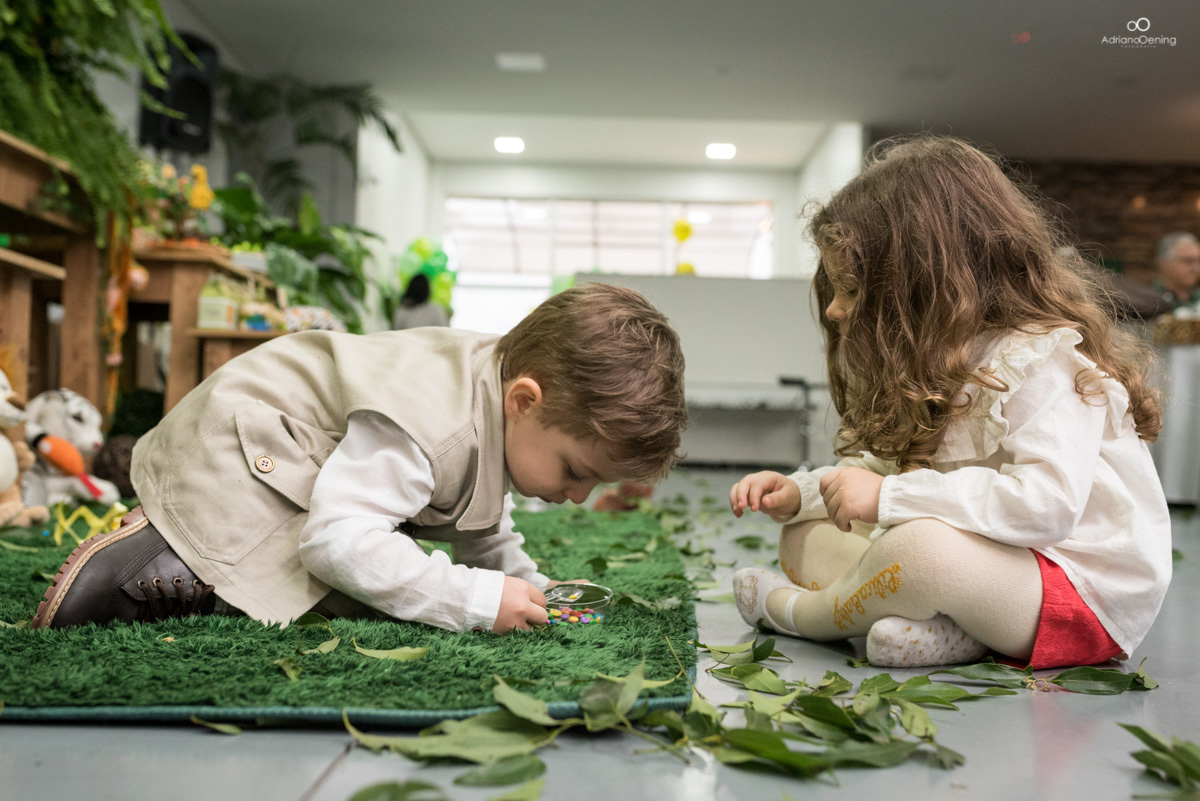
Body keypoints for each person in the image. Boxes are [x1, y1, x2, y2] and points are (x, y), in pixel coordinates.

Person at [729, 136, 1171, 670]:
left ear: (919, 285)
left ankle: (799, 614)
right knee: (803, 535)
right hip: (985, 574)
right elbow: (883, 472)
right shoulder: (939, 359)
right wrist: (803, 494)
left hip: (1073, 595)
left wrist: (890, 497)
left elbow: (1045, 507)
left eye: (850, 288)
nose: (836, 312)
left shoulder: (1040, 362)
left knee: (918, 549)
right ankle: (946, 633)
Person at [32, 283, 687, 634]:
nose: (576, 495)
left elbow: (483, 523)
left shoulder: (499, 394)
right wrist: (477, 598)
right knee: (345, 574)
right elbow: (337, 542)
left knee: (378, 578)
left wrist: (531, 586)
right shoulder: (436, 426)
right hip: (241, 451)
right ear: (524, 399)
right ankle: (161, 552)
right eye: (576, 470)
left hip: (295, 455)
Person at [1150, 232, 1200, 311]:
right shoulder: (1149, 300)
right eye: (1188, 261)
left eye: (1198, 261)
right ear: (1164, 263)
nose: (1196, 268)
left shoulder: (1197, 298)